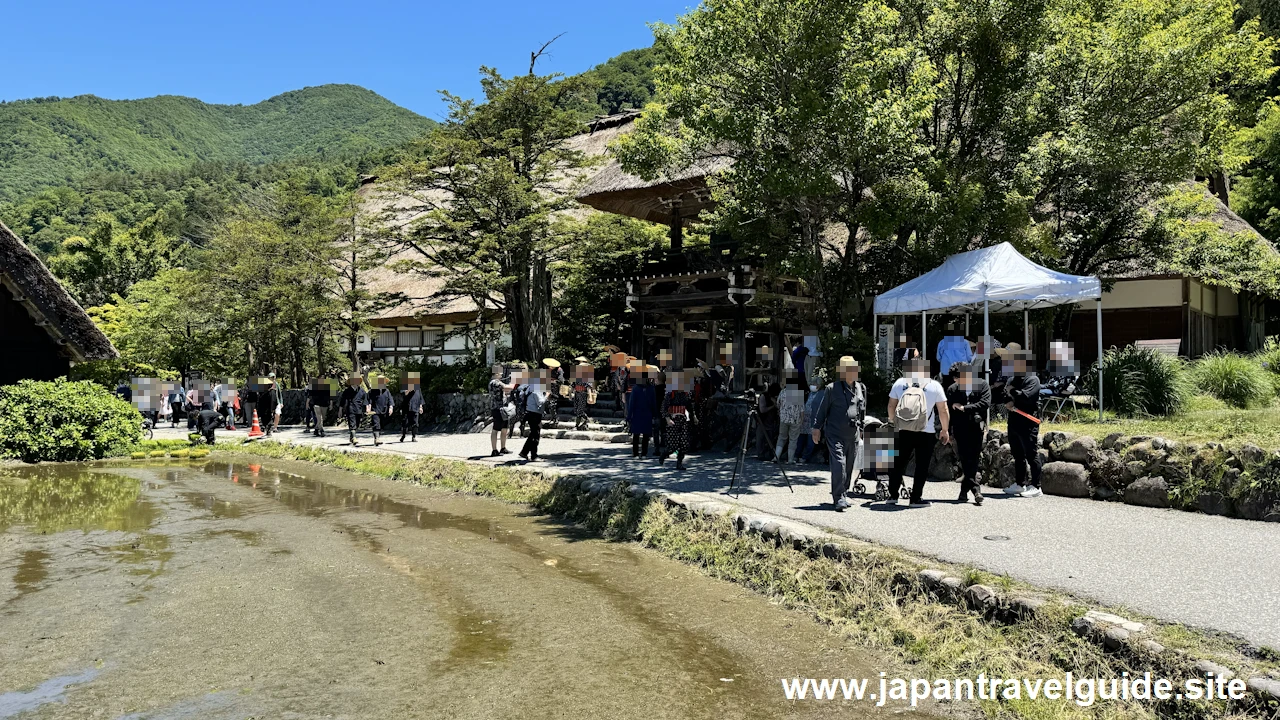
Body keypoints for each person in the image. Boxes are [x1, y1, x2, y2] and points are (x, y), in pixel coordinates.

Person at [887, 357, 951, 508]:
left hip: (903, 429)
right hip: (925, 430)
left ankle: (892, 495)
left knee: (898, 463)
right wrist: (945, 429)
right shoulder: (934, 385)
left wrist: (893, 422)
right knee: (921, 465)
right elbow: (943, 409)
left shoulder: (900, 383)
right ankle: (915, 498)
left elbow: (891, 405)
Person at [810, 357, 866, 511]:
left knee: (849, 466)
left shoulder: (861, 388)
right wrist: (816, 428)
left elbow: (862, 410)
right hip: (835, 434)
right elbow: (822, 410)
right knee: (839, 464)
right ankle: (838, 497)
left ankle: (844, 493)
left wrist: (861, 430)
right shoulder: (831, 388)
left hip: (853, 434)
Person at [946, 362, 990, 506]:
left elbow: (985, 403)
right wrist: (948, 430)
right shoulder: (952, 389)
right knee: (965, 460)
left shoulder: (982, 384)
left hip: (976, 427)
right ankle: (975, 491)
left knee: (974, 459)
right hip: (960, 428)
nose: (955, 381)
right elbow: (949, 412)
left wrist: (965, 408)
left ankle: (966, 491)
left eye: (957, 378)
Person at [1002, 350, 1044, 498]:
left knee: (1031, 454)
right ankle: (1020, 484)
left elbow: (1026, 396)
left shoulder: (1033, 379)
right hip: (1014, 421)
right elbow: (1005, 395)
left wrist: (1012, 392)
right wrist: (1009, 399)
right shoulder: (1012, 379)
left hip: (1028, 421)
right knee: (1017, 454)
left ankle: (1036, 486)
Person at [660, 370, 693, 470]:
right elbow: (663, 408)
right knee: (672, 445)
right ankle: (664, 454)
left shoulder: (685, 395)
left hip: (682, 421)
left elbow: (690, 407)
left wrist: (693, 417)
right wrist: (667, 419)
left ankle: (679, 463)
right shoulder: (670, 395)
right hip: (672, 421)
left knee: (684, 444)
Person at [774, 370, 806, 464]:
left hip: (783, 418)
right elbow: (802, 410)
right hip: (795, 420)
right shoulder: (798, 393)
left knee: (781, 437)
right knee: (793, 440)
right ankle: (790, 459)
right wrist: (802, 420)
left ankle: (776, 457)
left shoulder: (783, 392)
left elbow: (778, 404)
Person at [626, 366, 657, 459]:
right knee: (644, 434)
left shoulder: (636, 388)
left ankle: (636, 453)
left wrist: (629, 416)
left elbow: (631, 403)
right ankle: (643, 453)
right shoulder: (650, 388)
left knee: (637, 434)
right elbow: (653, 402)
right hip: (646, 413)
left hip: (638, 413)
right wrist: (655, 414)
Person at [795, 376, 827, 463]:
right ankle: (796, 455)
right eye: (811, 384)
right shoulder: (810, 393)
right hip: (804, 419)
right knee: (801, 438)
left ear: (819, 385)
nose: (812, 385)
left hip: (814, 420)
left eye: (814, 384)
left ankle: (805, 457)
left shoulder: (822, 394)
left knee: (811, 439)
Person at [519, 372, 549, 462]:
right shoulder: (537, 388)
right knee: (535, 435)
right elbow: (540, 401)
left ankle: (524, 452)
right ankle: (534, 456)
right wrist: (547, 395)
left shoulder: (530, 387)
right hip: (534, 414)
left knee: (533, 433)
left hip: (530, 412)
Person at [488, 364, 515, 456]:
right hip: (497, 409)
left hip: (503, 408)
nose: (502, 374)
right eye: (500, 372)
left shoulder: (496, 382)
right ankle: (494, 450)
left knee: (504, 429)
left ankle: (503, 448)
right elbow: (509, 388)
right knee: (496, 429)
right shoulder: (495, 382)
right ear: (496, 373)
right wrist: (514, 380)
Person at [338, 373, 369, 446]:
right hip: (350, 409)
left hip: (359, 409)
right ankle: (354, 437)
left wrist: (367, 407)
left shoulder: (362, 391)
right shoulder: (347, 391)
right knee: (352, 424)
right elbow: (342, 401)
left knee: (357, 424)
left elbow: (365, 400)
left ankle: (352, 436)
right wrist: (340, 410)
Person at [754, 382, 780, 460]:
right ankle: (760, 454)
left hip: (771, 421)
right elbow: (762, 410)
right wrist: (773, 406)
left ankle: (769, 454)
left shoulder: (774, 397)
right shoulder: (763, 396)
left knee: (770, 439)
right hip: (762, 420)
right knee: (760, 439)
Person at [368, 374, 394, 446]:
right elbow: (369, 400)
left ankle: (377, 437)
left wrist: (391, 407)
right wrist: (368, 407)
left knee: (381, 425)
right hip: (374, 410)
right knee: (376, 424)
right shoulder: (372, 391)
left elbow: (390, 400)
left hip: (384, 410)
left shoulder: (387, 391)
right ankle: (377, 438)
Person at [399, 374, 424, 442]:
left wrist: (421, 407)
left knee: (415, 423)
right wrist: (409, 389)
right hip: (406, 408)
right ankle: (403, 435)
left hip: (415, 407)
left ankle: (414, 436)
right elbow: (404, 394)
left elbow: (420, 398)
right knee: (405, 423)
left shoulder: (418, 388)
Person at [570, 359, 594, 431]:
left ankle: (576, 425)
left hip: (583, 393)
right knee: (576, 409)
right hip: (577, 393)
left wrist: (590, 396)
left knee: (580, 410)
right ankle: (586, 419)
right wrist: (570, 393)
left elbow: (588, 387)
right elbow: (573, 385)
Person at [544, 358, 564, 429]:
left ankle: (555, 419)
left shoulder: (559, 370)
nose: (550, 367)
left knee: (552, 404)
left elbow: (561, 381)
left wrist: (553, 381)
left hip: (555, 389)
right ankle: (553, 418)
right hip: (546, 388)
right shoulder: (546, 369)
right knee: (547, 403)